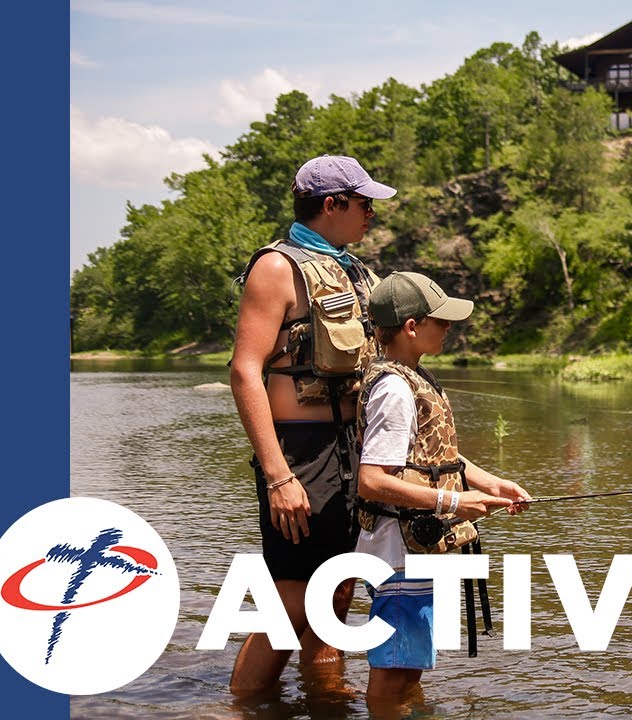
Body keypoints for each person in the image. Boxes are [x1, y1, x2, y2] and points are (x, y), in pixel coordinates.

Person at [228, 154, 397, 695]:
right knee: (295, 595)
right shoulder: (276, 268)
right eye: (363, 202)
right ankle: (241, 706)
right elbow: (244, 371)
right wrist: (279, 475)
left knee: (343, 585)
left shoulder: (355, 270)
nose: (371, 212)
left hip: (352, 443)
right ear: (332, 205)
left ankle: (324, 692)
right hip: (299, 450)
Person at [354, 270, 531, 703]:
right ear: (411, 327)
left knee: (409, 668)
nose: (449, 328)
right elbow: (372, 480)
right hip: (397, 552)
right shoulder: (394, 388)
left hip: (419, 546)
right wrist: (455, 501)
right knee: (393, 671)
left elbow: (436, 454)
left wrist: (491, 483)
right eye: (441, 320)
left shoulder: (415, 375)